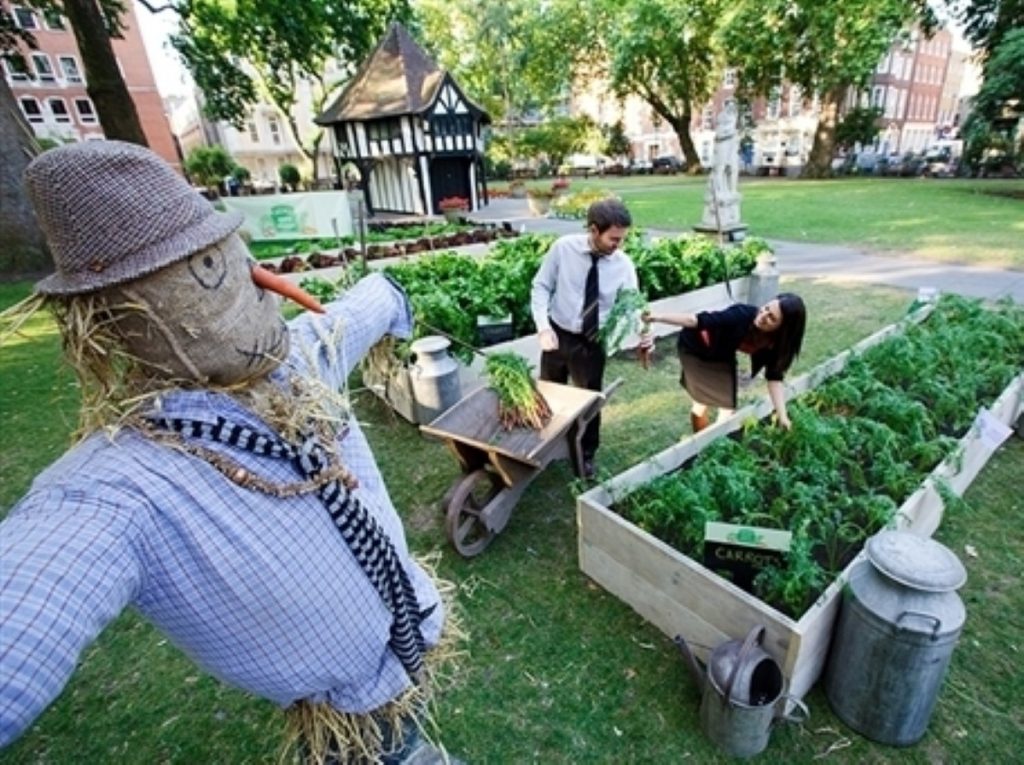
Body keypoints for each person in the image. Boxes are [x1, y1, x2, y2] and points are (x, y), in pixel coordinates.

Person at [0, 141, 459, 764]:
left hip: (409, 632)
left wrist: (393, 295)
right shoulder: (120, 486)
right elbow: (32, 595)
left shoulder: (302, 360)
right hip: (338, 710)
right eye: (214, 271)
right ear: (108, 319)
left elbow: (362, 308)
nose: (258, 285)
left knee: (409, 729)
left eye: (236, 258)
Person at [529, 198, 646, 479]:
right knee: (548, 395)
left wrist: (644, 334)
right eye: (614, 238)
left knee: (589, 403)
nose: (618, 244)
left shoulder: (623, 264)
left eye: (622, 238)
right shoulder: (563, 249)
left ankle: (586, 453)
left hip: (592, 343)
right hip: (557, 336)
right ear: (594, 230)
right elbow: (541, 286)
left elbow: (633, 304)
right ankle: (546, 445)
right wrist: (543, 328)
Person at [645, 293, 807, 433]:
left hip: (721, 351)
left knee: (727, 405)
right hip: (696, 345)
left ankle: (715, 442)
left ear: (783, 328)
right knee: (702, 402)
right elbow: (695, 320)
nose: (763, 315)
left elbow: (774, 378)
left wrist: (782, 416)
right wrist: (657, 317)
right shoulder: (741, 315)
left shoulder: (777, 344)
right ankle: (700, 443)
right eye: (765, 308)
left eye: (772, 317)